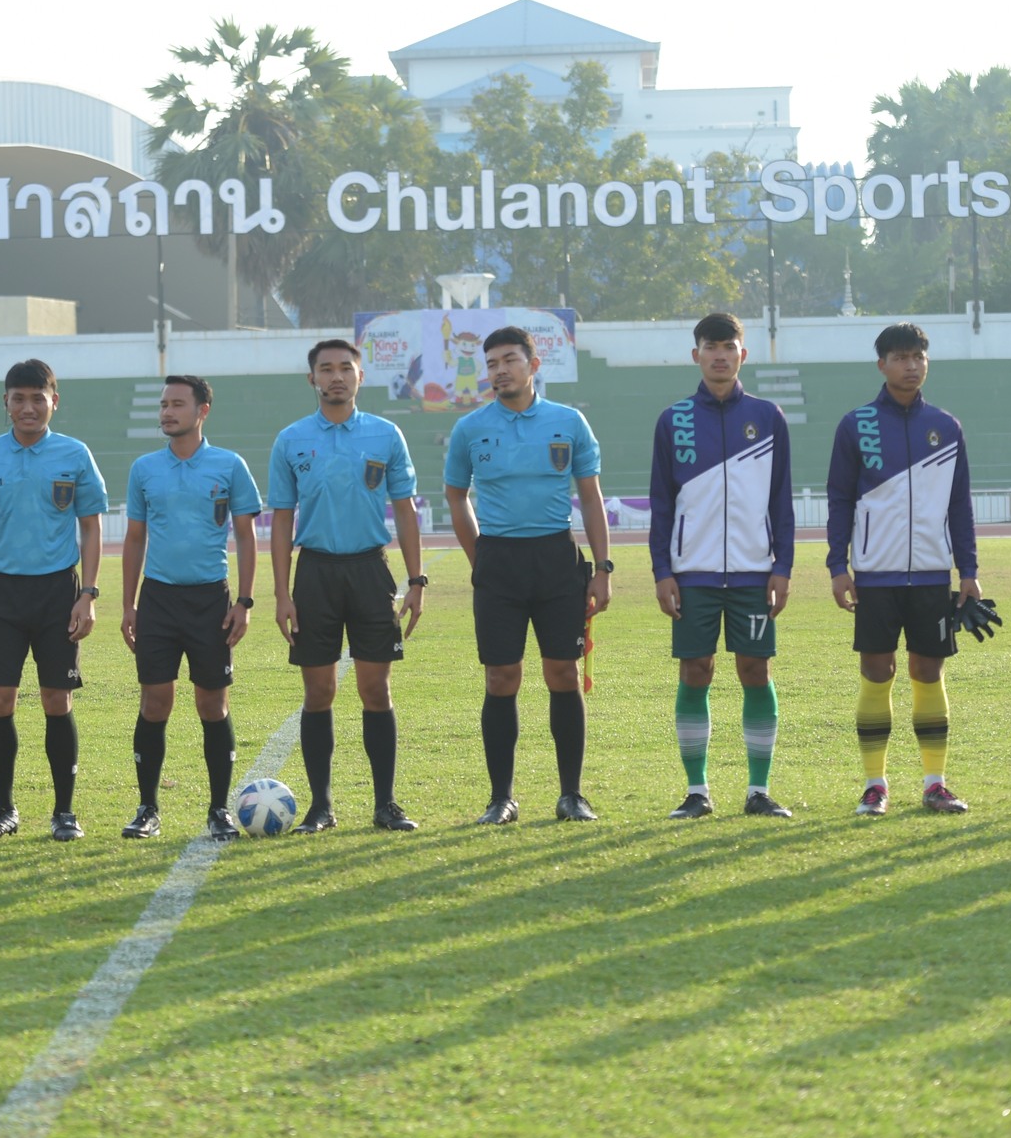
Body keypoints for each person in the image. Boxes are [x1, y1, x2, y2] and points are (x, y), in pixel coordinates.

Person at [444, 325, 611, 825]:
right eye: (492, 364)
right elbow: (456, 495)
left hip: (556, 559)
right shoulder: (470, 428)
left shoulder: (569, 421)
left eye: (510, 361)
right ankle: (501, 799)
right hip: (498, 562)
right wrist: (480, 557)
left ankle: (572, 795)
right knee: (501, 677)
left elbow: (590, 498)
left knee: (562, 673)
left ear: (533, 365)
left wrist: (602, 569)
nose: (500, 371)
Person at [268, 338, 426, 834]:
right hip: (314, 573)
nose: (336, 376)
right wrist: (282, 593)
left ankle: (386, 804)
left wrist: (417, 580)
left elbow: (405, 509)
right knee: (319, 692)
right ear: (311, 378)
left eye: (345, 368)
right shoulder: (291, 439)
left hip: (369, 571)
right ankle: (321, 807)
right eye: (326, 369)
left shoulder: (386, 434)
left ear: (360, 376)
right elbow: (281, 519)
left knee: (375, 688)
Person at [826, 322, 982, 817]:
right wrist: (837, 565)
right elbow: (839, 499)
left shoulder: (947, 427)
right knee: (877, 672)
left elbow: (959, 505)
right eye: (900, 357)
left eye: (918, 357)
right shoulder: (857, 425)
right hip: (875, 575)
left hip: (933, 575)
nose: (911, 366)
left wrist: (968, 570)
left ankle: (936, 784)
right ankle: (875, 786)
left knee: (928, 671)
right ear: (882, 365)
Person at [648, 312, 795, 820]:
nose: (720, 355)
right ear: (696, 355)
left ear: (742, 354)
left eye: (728, 346)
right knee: (697, 671)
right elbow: (662, 503)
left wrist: (783, 566)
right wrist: (662, 571)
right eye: (710, 347)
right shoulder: (674, 420)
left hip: (754, 571)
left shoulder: (768, 417)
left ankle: (759, 791)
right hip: (693, 573)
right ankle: (697, 791)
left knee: (756, 669)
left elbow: (781, 500)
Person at [0, 359, 106, 841]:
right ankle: (3, 808)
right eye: (18, 399)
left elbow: (91, 526)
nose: (27, 407)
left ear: (53, 402)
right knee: (0, 700)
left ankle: (64, 812)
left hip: (58, 592)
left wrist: (87, 594)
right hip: (2, 592)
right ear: (5, 402)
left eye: (37, 398)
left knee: (56, 699)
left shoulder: (74, 454)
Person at [120, 376, 261, 841]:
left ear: (202, 411)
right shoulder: (144, 468)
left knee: (212, 704)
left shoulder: (230, 465)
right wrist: (129, 605)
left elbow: (246, 536)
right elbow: (135, 538)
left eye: (177, 404)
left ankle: (219, 810)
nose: (167, 412)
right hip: (158, 600)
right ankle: (147, 809)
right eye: (163, 404)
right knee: (154, 702)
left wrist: (244, 601)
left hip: (210, 601)